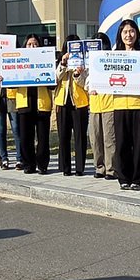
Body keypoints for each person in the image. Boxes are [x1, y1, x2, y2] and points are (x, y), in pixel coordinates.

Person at [104, 19, 140, 190]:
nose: (128, 35)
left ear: (137, 34)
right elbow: (103, 78)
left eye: (132, 31)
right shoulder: (113, 55)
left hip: (139, 105)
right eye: (125, 32)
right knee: (122, 144)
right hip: (119, 105)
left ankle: (139, 180)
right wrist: (98, 86)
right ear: (120, 34)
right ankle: (124, 178)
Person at [11, 34, 54, 174]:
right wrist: (4, 78)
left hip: (42, 104)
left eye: (35, 44)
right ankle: (29, 164)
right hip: (25, 104)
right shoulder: (18, 60)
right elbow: (11, 83)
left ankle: (42, 165)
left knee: (43, 138)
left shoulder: (47, 60)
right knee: (25, 138)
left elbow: (52, 85)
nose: (32, 46)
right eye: (29, 44)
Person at [55, 34, 90, 176]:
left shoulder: (84, 62)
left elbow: (86, 84)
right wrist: (63, 64)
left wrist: (78, 74)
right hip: (62, 102)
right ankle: (65, 167)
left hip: (79, 103)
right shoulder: (59, 60)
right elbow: (54, 79)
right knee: (63, 136)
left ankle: (80, 168)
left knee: (80, 136)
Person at [88, 32, 116, 180]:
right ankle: (99, 168)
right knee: (95, 139)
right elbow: (84, 83)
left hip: (109, 104)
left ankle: (111, 169)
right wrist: (78, 75)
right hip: (94, 106)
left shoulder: (111, 59)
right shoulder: (88, 61)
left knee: (109, 139)